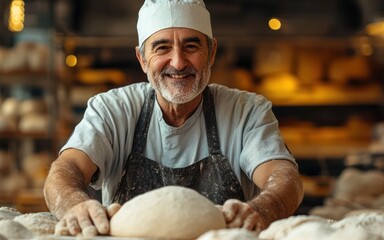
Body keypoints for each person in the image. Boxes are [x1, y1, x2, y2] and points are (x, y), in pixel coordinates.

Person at [44, 0, 303, 237]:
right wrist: (75, 205)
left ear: (211, 53)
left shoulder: (246, 112)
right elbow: (67, 170)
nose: (178, 62)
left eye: (191, 46)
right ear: (142, 59)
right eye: (162, 48)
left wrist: (262, 209)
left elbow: (284, 178)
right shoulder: (112, 110)